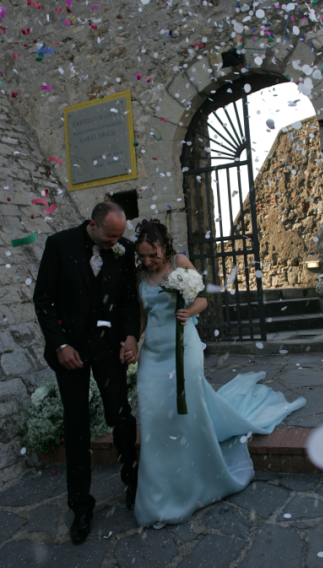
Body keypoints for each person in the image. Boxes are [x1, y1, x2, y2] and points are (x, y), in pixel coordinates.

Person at [131, 218, 307, 529]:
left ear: (164, 247)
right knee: (154, 420)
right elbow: (143, 317)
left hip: (182, 351)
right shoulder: (140, 275)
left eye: (152, 254)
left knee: (184, 415)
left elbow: (204, 296)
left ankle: (196, 479)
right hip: (152, 357)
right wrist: (131, 340)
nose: (147, 261)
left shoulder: (179, 262)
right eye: (142, 255)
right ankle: (159, 493)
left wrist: (189, 311)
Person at [33, 202, 140, 545]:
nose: (115, 241)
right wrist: (61, 345)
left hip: (109, 347)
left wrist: (130, 335)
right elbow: (44, 300)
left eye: (119, 235)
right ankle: (81, 507)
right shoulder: (59, 245)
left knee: (120, 414)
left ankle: (133, 480)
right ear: (92, 224)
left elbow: (127, 300)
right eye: (110, 235)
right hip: (71, 351)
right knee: (76, 422)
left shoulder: (122, 251)